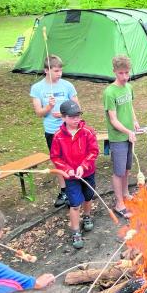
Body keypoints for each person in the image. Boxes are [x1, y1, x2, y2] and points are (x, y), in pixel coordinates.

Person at [30, 55, 79, 208]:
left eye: (61, 70)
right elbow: (39, 112)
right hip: (52, 131)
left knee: (72, 158)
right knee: (59, 162)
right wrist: (49, 107)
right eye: (56, 71)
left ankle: (76, 187)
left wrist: (65, 116)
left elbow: (77, 107)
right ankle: (64, 190)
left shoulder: (67, 86)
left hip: (68, 129)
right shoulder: (37, 88)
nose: (60, 74)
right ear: (46, 70)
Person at [49, 100, 99, 250]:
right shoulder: (58, 136)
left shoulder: (87, 131)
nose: (76, 119)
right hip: (70, 177)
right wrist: (67, 169)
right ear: (63, 117)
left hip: (87, 172)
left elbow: (94, 151)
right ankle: (76, 231)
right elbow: (55, 157)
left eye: (77, 116)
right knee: (75, 203)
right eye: (72, 117)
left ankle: (88, 216)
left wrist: (83, 166)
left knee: (88, 196)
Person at [103, 55, 140, 219]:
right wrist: (128, 131)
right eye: (121, 73)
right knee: (118, 172)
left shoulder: (129, 87)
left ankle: (125, 194)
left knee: (126, 168)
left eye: (127, 73)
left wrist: (135, 120)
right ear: (114, 72)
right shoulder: (109, 92)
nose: (125, 77)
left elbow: (130, 106)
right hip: (118, 138)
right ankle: (119, 204)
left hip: (128, 135)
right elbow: (113, 119)